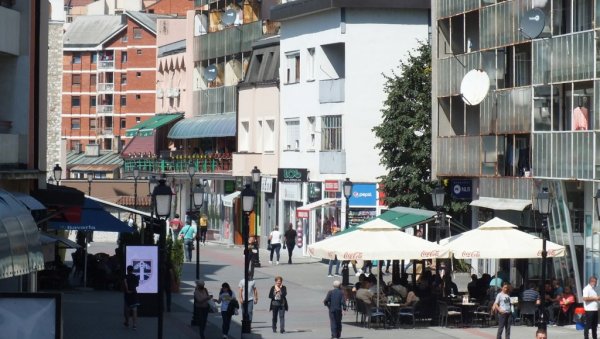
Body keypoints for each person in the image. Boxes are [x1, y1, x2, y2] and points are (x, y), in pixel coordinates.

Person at [123, 265, 140, 330]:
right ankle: (134, 325)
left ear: (127, 270)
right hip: (134, 293)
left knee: (127, 309)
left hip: (127, 294)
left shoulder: (126, 277)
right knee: (134, 310)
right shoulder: (135, 277)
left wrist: (127, 290)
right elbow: (137, 284)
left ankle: (127, 322)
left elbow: (125, 283)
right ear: (133, 270)